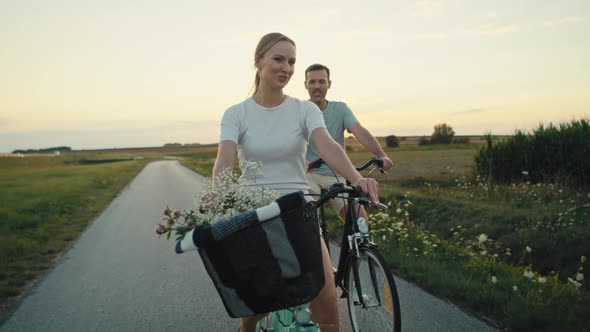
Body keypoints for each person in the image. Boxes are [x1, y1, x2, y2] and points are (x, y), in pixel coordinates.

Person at [212, 33, 381, 332]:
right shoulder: (236, 113)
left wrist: (356, 178)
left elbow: (328, 145)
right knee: (253, 307)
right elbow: (225, 159)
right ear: (258, 61)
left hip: (296, 210)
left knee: (327, 301)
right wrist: (218, 194)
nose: (286, 68)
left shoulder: (305, 110)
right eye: (278, 59)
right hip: (254, 214)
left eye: (291, 62)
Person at [304, 63, 393, 221]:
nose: (317, 86)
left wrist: (381, 155)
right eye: (312, 82)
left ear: (329, 84)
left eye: (322, 81)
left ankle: (356, 246)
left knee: (359, 220)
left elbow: (360, 131)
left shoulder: (341, 109)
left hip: (337, 174)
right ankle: (315, 243)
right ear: (305, 85)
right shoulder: (300, 110)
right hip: (309, 174)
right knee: (309, 217)